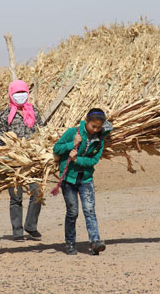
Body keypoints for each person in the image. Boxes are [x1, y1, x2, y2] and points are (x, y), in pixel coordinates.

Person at [53, 108, 113, 255]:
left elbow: (94, 160)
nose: (95, 130)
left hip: (86, 180)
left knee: (90, 211)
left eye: (99, 127)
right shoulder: (73, 133)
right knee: (72, 212)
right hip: (69, 180)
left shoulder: (99, 140)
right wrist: (71, 144)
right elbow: (56, 148)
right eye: (93, 126)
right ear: (86, 122)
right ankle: (70, 243)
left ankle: (95, 242)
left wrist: (77, 159)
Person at [0, 80, 43, 241]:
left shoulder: (34, 111)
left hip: (32, 160)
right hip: (12, 162)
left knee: (37, 192)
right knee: (16, 196)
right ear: (10, 94)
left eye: (23, 92)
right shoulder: (3, 116)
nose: (20, 96)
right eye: (17, 93)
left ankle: (31, 226)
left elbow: (41, 133)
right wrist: (4, 159)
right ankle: (17, 231)